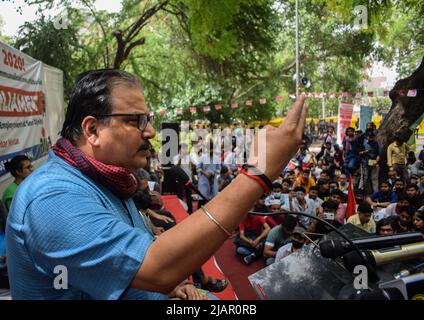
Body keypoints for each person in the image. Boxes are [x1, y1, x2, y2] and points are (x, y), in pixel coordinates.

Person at [5, 69, 309, 299]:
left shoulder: (108, 177)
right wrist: (258, 173)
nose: (150, 131)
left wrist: (168, 288)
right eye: (136, 121)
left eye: (148, 119)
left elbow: (137, 266)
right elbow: (155, 269)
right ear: (93, 129)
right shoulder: (51, 198)